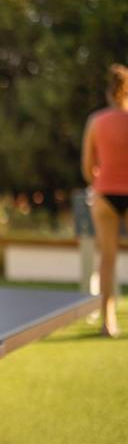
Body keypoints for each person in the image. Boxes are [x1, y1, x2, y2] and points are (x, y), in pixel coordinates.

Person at [81, 63, 128, 338]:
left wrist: (97, 179)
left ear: (109, 92)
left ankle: (107, 321)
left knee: (107, 259)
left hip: (105, 194)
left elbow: (88, 166)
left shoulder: (96, 121)